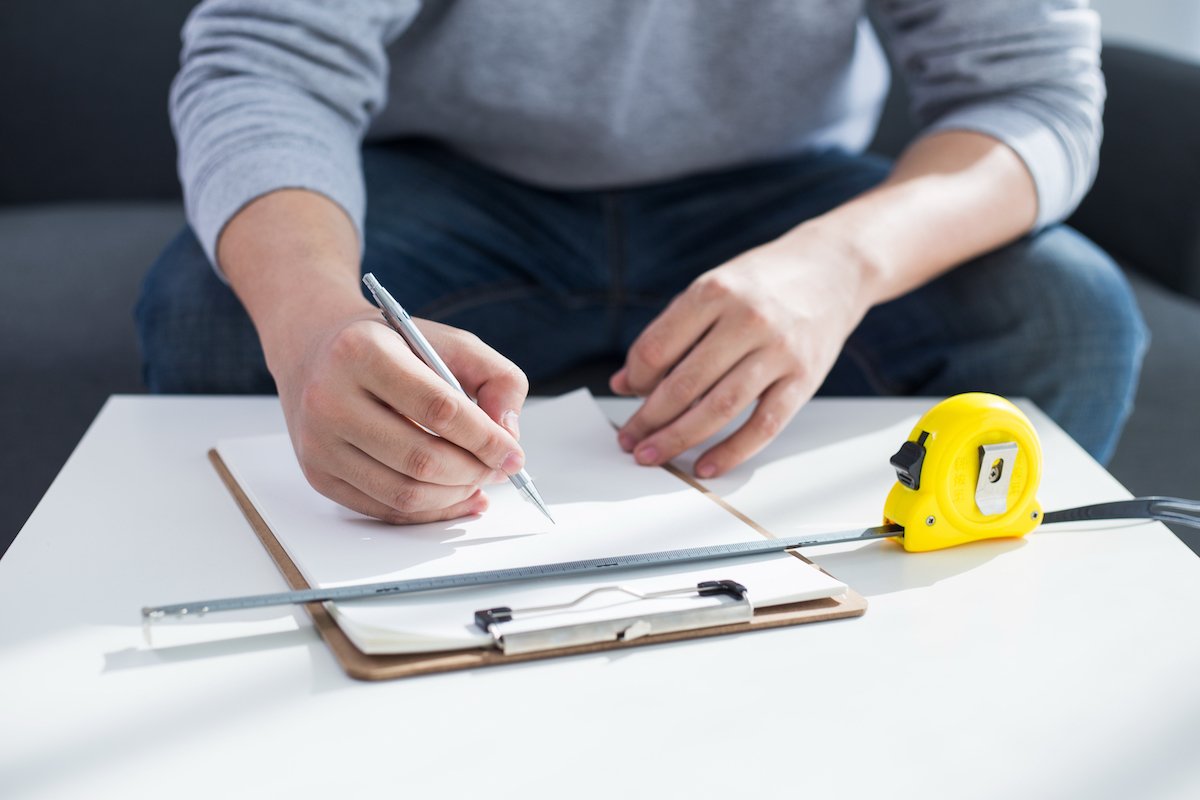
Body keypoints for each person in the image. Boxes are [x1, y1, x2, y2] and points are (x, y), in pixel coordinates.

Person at [137, 0, 1146, 526]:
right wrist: (315, 317)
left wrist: (840, 263)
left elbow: (1032, 96)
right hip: (445, 180)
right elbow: (269, 63)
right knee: (218, 309)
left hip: (780, 195)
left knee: (1065, 315)